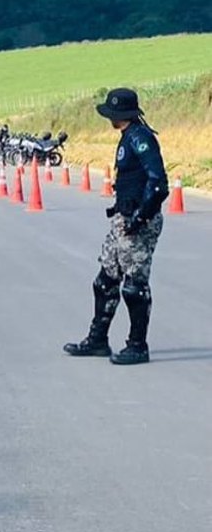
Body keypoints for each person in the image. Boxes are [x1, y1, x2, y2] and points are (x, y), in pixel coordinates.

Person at [64, 88, 168, 365]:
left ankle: (137, 345)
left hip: (138, 221)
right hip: (123, 218)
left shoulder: (141, 138)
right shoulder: (128, 136)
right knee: (105, 281)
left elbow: (159, 184)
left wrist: (140, 218)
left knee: (134, 286)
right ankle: (98, 339)